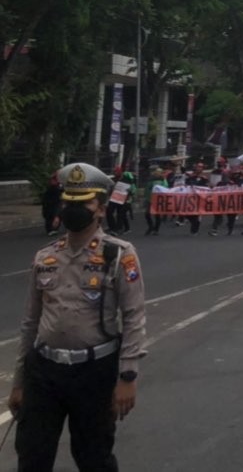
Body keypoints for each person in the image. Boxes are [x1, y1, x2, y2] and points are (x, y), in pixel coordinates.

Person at [7, 162, 146, 471]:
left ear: (101, 208)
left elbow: (134, 317)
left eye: (82, 203)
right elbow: (30, 323)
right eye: (68, 201)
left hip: (94, 374)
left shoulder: (119, 255)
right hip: (44, 373)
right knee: (31, 457)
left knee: (94, 458)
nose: (72, 208)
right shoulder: (46, 256)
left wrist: (127, 377)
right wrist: (19, 382)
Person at [143, 167, 167, 236]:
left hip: (158, 199)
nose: (157, 173)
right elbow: (147, 188)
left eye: (159, 172)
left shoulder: (163, 180)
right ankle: (151, 226)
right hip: (150, 199)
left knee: (157, 215)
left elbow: (165, 187)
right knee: (147, 214)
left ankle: (156, 229)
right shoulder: (151, 179)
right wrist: (146, 197)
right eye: (156, 172)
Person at [41, 172, 62, 236]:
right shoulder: (53, 188)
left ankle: (52, 229)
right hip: (50, 206)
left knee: (52, 215)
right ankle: (51, 229)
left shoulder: (56, 188)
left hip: (52, 205)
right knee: (50, 216)